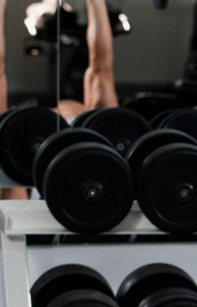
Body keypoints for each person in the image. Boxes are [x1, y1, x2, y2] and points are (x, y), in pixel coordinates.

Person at [1, 0, 118, 199]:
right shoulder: (84, 126)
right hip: (73, 175)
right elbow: (101, 68)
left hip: (42, 179)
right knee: (100, 81)